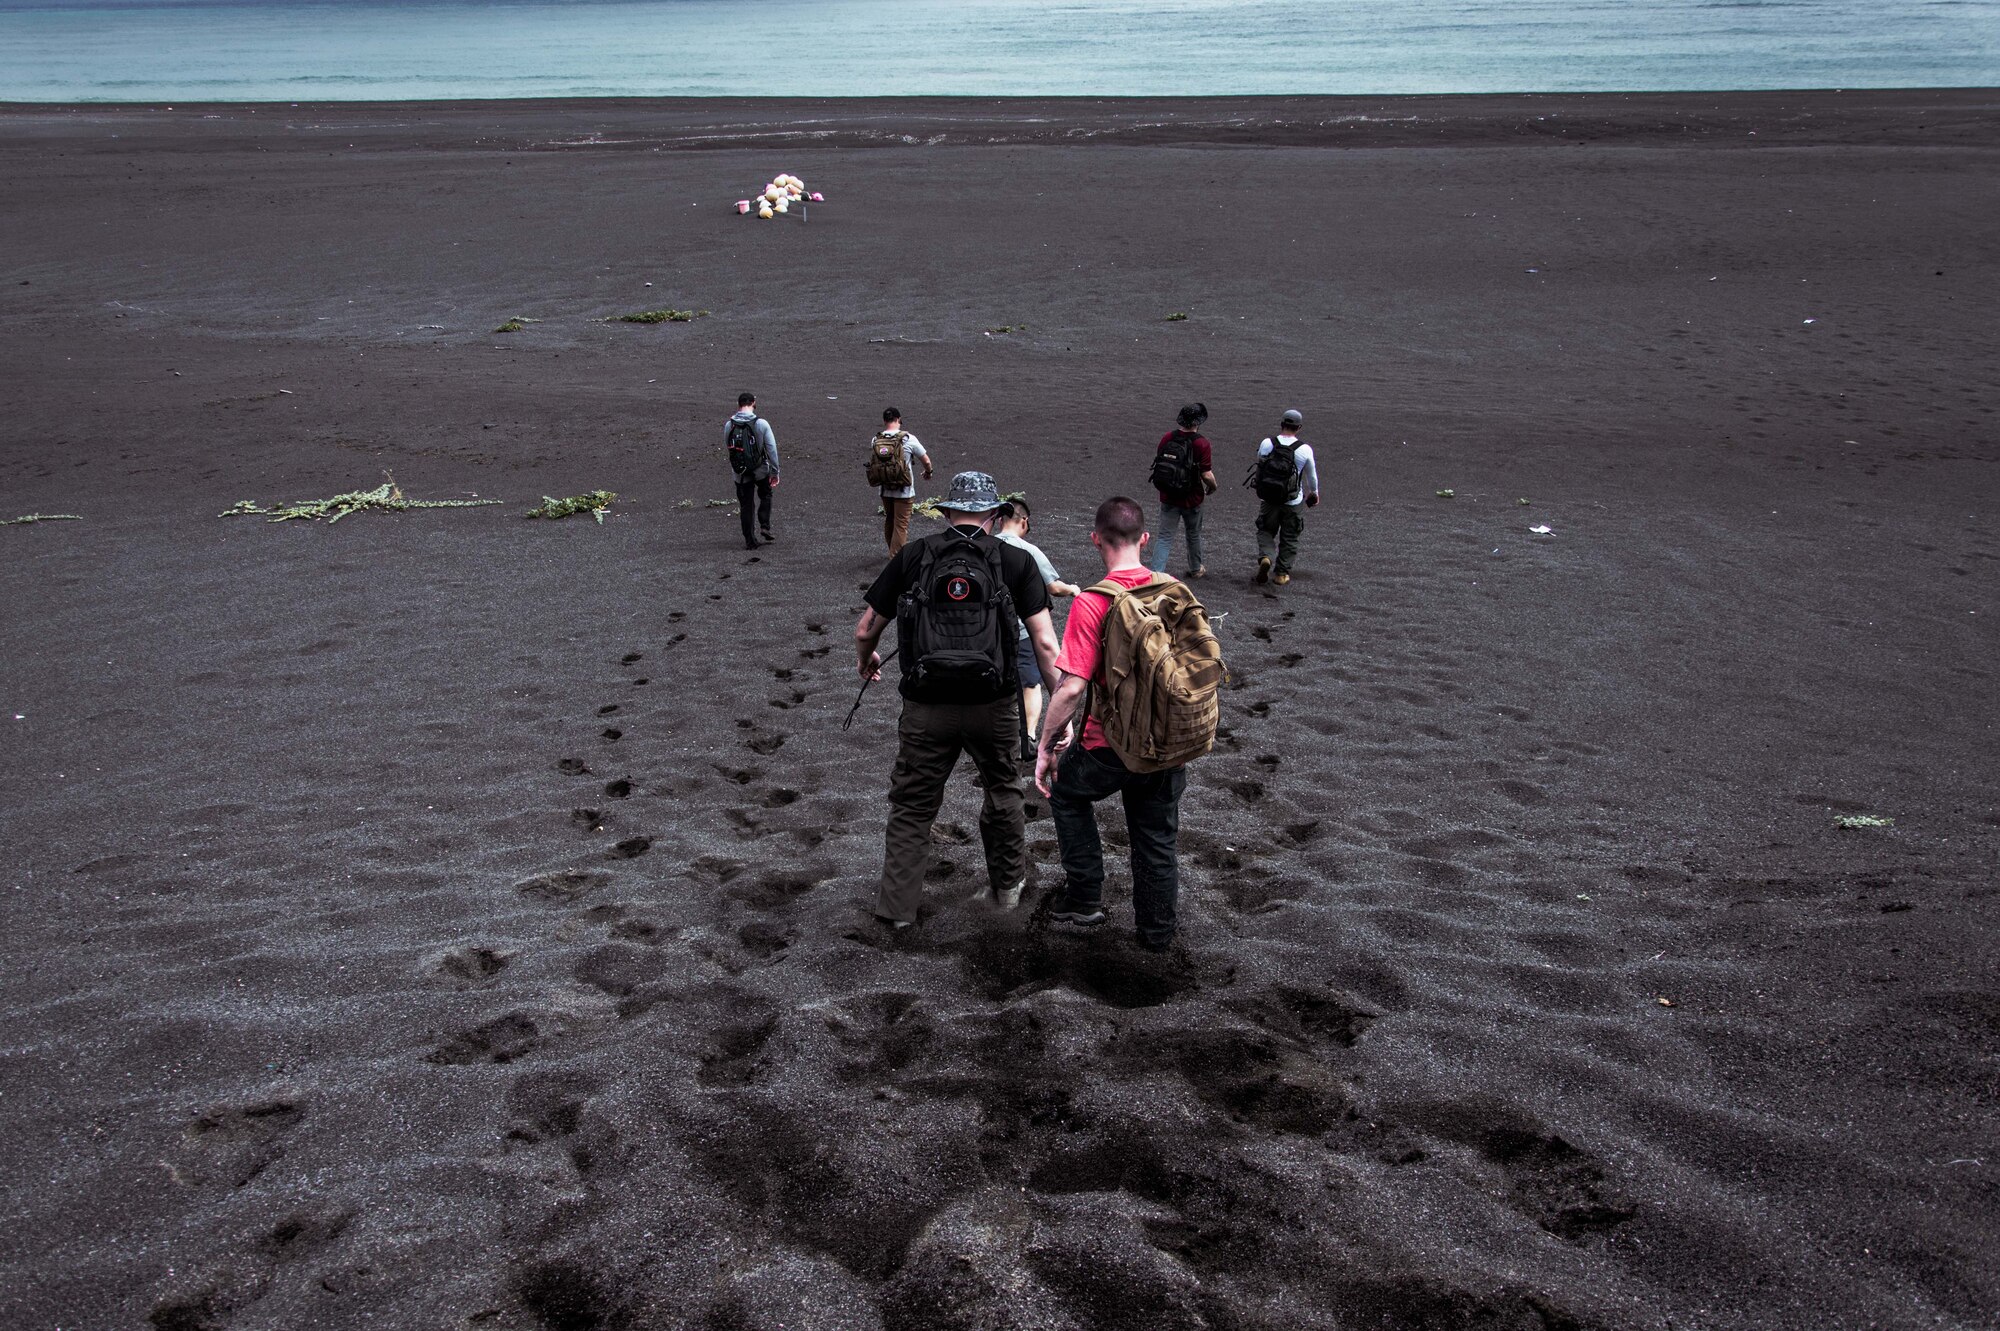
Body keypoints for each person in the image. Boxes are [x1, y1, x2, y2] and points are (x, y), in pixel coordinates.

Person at [854, 472, 1061, 929]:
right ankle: (1006, 893)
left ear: (946, 513)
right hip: (995, 704)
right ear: (994, 515)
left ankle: (898, 913)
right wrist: (1058, 707)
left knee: (912, 806)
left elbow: (867, 628)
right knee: (1003, 791)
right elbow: (1046, 646)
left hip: (926, 706)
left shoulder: (913, 556)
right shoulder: (1016, 562)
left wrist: (866, 661)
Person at [1035, 497, 1219, 952]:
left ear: (1096, 539)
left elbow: (1072, 688)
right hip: (1167, 740)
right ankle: (1156, 937)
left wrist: (1047, 743)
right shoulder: (1173, 589)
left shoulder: (1094, 602)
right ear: (1144, 539)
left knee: (1067, 794)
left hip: (1110, 744)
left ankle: (1083, 898)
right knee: (1156, 838)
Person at [994, 498, 1080, 759]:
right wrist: (1073, 589)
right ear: (1024, 521)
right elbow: (1053, 586)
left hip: (988, 631)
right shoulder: (1027, 550)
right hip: (1020, 630)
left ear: (1000, 520)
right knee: (1030, 683)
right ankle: (1028, 736)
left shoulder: (986, 546)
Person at [1250, 409, 1319, 586]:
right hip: (1292, 500)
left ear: (1281, 424)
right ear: (1299, 427)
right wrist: (1314, 493)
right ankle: (1281, 573)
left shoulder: (1267, 443)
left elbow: (1260, 463)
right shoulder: (1304, 449)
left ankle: (1266, 556)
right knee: (1290, 536)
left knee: (1265, 530)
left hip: (1269, 499)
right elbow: (1311, 476)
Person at [1148, 402, 1217, 578]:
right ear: (1198, 422)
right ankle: (1195, 568)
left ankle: (1156, 574)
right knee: (1193, 534)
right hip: (1191, 497)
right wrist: (1212, 487)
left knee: (1164, 537)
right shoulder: (1202, 443)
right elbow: (1206, 474)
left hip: (1169, 495)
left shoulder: (1167, 438)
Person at [870, 407, 933, 555]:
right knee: (901, 525)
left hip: (885, 488)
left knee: (890, 521)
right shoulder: (908, 438)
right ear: (898, 419)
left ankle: (892, 550)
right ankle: (896, 559)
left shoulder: (876, 439)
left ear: (884, 421)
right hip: (904, 490)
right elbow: (926, 461)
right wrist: (929, 472)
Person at [724, 392, 780, 550]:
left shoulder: (729, 425)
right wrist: (775, 472)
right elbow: (772, 449)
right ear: (754, 403)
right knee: (765, 494)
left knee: (746, 505)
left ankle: (750, 540)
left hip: (740, 473)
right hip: (760, 469)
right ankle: (765, 525)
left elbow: (729, 448)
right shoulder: (761, 424)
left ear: (738, 405)